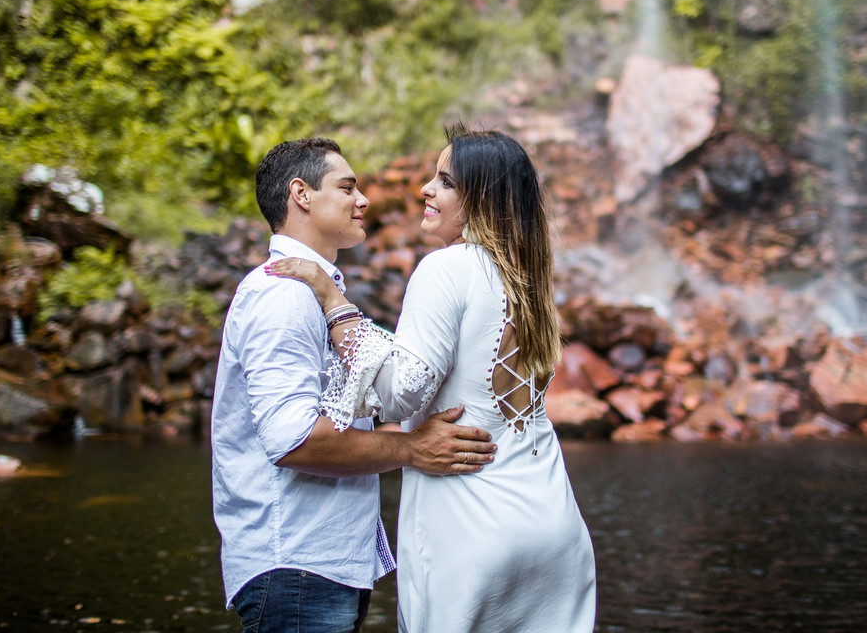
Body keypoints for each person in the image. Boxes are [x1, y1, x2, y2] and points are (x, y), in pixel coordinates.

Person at [267, 126, 597, 633]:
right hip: (555, 527)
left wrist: (335, 305)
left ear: (481, 200)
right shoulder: (527, 279)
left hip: (474, 527)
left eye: (445, 182)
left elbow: (400, 395)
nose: (425, 189)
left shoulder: (446, 268)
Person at [211, 137, 498, 633]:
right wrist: (412, 449)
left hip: (318, 565)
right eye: (347, 188)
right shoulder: (284, 294)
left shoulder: (316, 291)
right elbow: (293, 440)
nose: (363, 200)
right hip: (295, 563)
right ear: (301, 194)